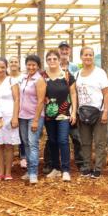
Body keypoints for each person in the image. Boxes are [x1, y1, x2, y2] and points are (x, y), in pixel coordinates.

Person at [75, 47, 108, 179]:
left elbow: (107, 93)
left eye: (90, 55)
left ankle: (98, 167)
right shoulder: (78, 74)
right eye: (85, 55)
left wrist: (105, 111)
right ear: (81, 57)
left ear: (93, 57)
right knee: (85, 141)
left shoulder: (100, 73)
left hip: (98, 111)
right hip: (83, 112)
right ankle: (86, 166)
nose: (88, 57)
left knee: (100, 141)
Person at [43, 49, 77, 182]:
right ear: (46, 61)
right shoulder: (43, 76)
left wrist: (74, 111)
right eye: (49, 59)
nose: (52, 61)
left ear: (59, 60)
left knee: (63, 140)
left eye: (54, 59)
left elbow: (73, 94)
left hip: (64, 114)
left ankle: (66, 169)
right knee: (52, 141)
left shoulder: (67, 76)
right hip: (49, 115)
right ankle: (56, 168)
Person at [19, 55, 46, 184]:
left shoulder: (39, 80)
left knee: (33, 143)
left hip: (34, 116)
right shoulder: (24, 78)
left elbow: (41, 101)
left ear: (38, 66)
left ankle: (34, 173)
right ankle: (29, 171)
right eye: (29, 64)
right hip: (22, 116)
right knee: (26, 143)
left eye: (33, 65)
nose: (31, 67)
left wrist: (35, 119)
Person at [0, 57, 20, 180]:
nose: (0, 69)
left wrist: (15, 117)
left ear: (6, 67)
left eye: (3, 67)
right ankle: (0, 172)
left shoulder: (11, 81)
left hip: (9, 116)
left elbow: (17, 99)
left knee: (9, 145)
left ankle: (8, 172)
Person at [58, 41, 83, 172]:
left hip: (72, 106)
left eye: (66, 49)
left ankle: (80, 162)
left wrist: (75, 108)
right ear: (58, 51)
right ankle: (52, 163)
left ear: (70, 51)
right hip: (57, 108)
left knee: (76, 136)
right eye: (62, 49)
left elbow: (77, 88)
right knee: (55, 138)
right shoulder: (53, 67)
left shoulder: (75, 68)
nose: (64, 51)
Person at [9, 56, 27, 169]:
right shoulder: (7, 78)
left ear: (19, 64)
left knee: (22, 134)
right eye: (11, 62)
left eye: (16, 61)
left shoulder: (24, 77)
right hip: (10, 109)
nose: (14, 63)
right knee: (9, 134)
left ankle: (23, 157)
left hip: (24, 108)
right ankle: (9, 158)